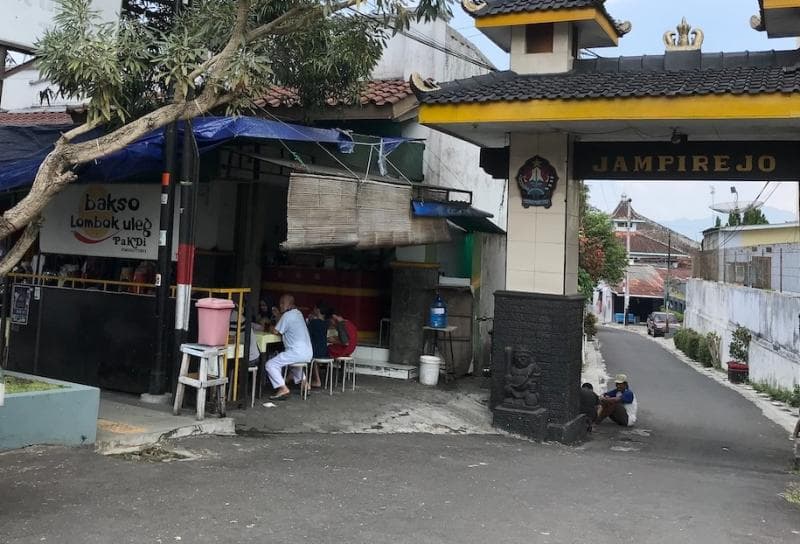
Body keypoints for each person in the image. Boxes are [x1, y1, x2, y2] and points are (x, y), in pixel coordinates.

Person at [265, 294, 313, 400]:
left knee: (270, 365)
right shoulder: (298, 313)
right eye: (280, 302)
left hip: (296, 352)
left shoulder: (287, 316)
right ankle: (305, 384)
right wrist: (279, 315)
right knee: (294, 364)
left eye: (283, 303)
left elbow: (276, 331)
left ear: (291, 304)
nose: (280, 305)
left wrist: (270, 326)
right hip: (307, 352)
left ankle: (282, 388)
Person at [307, 302, 331, 388]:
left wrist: (309, 321)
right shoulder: (326, 323)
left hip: (315, 350)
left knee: (310, 356)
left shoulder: (314, 322)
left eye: (314, 308)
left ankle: (317, 380)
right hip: (324, 350)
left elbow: (307, 333)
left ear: (318, 310)